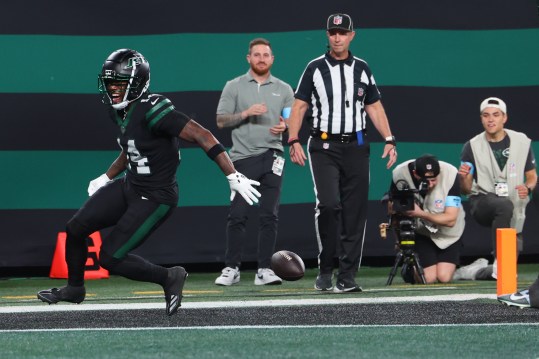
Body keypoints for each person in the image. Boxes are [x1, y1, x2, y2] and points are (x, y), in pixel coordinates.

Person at [37, 49, 261, 316]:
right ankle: (75, 289)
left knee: (110, 257)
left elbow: (203, 135)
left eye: (119, 85)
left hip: (157, 196)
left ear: (137, 84)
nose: (113, 91)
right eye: (110, 84)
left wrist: (231, 175)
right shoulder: (118, 110)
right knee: (75, 229)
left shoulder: (154, 110)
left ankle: (169, 277)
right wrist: (106, 177)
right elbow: (132, 147)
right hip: (131, 185)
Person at [287, 13, 397, 293]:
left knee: (355, 212)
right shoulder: (314, 68)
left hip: (357, 147)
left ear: (351, 35)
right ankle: (326, 267)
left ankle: (346, 276)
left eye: (342, 32)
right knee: (328, 205)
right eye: (333, 32)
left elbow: (373, 105)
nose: (337, 37)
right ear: (327, 35)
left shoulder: (362, 68)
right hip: (323, 146)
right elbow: (299, 105)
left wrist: (389, 138)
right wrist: (293, 139)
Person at [214, 38, 295, 286]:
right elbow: (221, 121)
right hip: (242, 159)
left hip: (273, 157)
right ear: (248, 58)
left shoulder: (284, 89)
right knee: (237, 215)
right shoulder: (234, 86)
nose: (261, 58)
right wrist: (246, 113)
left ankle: (265, 269)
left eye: (266, 55)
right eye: (256, 55)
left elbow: (291, 122)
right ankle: (231, 268)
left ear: (272, 59)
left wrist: (286, 126)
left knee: (269, 215)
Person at [456, 97, 537, 280]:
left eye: (495, 115)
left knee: (503, 271)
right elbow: (466, 190)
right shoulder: (472, 146)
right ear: (481, 119)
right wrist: (464, 177)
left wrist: (528, 187)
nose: (490, 119)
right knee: (503, 206)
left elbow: (532, 176)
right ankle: (500, 262)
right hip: (482, 201)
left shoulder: (521, 142)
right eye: (486, 115)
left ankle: (473, 271)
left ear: (504, 118)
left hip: (514, 203)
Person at [388, 155, 465, 284]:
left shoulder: (451, 174)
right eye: (425, 180)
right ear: (415, 174)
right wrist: (398, 240)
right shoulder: (400, 174)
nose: (430, 184)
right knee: (428, 279)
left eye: (434, 180)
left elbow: (450, 220)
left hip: (448, 234)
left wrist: (420, 213)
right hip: (421, 232)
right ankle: (408, 271)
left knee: (444, 277)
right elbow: (391, 207)